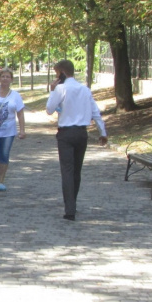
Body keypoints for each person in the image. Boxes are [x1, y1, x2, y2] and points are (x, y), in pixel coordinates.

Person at [45, 59, 107, 221]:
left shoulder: (60, 89)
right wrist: (103, 132)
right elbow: (95, 112)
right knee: (76, 170)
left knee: (67, 170)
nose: (56, 77)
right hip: (81, 133)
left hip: (66, 134)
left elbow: (49, 110)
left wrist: (52, 91)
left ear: (63, 73)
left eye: (57, 74)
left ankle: (69, 208)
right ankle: (73, 203)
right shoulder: (85, 90)